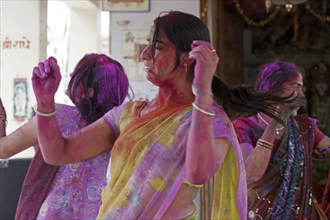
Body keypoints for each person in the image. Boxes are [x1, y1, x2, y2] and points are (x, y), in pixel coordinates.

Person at [31, 11, 291, 219]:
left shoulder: (211, 119)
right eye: (147, 46)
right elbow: (58, 153)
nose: (144, 55)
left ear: (188, 57)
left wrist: (202, 92)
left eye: (156, 47)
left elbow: (199, 173)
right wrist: (45, 102)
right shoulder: (130, 113)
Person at [0, 53, 130, 219]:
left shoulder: (58, 117)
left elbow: (3, 150)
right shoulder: (124, 129)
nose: (71, 76)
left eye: (77, 73)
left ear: (88, 92)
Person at [233, 60, 330, 219]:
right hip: (257, 214)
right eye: (296, 87)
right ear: (273, 89)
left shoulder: (303, 127)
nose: (302, 95)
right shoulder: (244, 127)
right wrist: (276, 117)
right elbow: (251, 174)